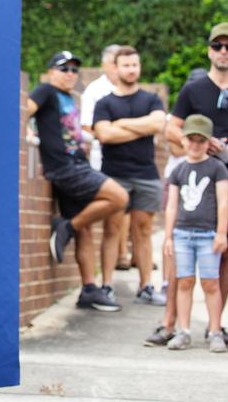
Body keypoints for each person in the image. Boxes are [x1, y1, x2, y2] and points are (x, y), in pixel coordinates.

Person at [27, 51, 128, 312]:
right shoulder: (46, 91)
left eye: (74, 70)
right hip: (66, 168)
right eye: (64, 69)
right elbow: (24, 110)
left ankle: (88, 290)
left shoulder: (68, 98)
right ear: (50, 71)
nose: (71, 74)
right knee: (119, 197)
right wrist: (27, 131)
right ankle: (66, 227)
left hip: (76, 165)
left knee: (86, 230)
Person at [154, 21, 228, 344]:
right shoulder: (194, 89)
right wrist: (205, 141)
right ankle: (170, 324)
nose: (224, 52)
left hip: (224, 183)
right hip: (196, 180)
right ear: (209, 50)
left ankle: (216, 327)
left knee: (223, 257)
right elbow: (171, 129)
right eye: (218, 46)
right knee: (176, 251)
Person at [93, 45, 167, 306]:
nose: (131, 69)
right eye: (126, 65)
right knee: (112, 230)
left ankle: (146, 286)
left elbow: (158, 124)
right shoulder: (104, 103)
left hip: (146, 174)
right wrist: (141, 128)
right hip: (115, 176)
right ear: (115, 68)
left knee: (143, 231)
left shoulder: (151, 99)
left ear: (139, 67)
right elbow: (104, 134)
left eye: (135, 64)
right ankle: (107, 285)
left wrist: (121, 125)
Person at [163, 114, 227, 352]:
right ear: (183, 140)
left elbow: (223, 202)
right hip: (182, 234)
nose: (196, 144)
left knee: (211, 283)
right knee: (184, 281)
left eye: (201, 140)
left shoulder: (217, 168)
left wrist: (221, 233)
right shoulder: (178, 170)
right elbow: (171, 206)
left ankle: (215, 330)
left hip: (207, 235)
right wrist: (169, 236)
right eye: (192, 139)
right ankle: (183, 330)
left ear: (209, 142)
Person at [80, 44, 133, 271]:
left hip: (130, 161)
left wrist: (115, 129)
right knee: (114, 207)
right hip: (102, 160)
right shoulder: (95, 90)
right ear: (105, 65)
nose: (116, 68)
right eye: (114, 63)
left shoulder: (131, 91)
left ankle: (124, 253)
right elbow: (88, 127)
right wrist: (115, 132)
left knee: (128, 209)